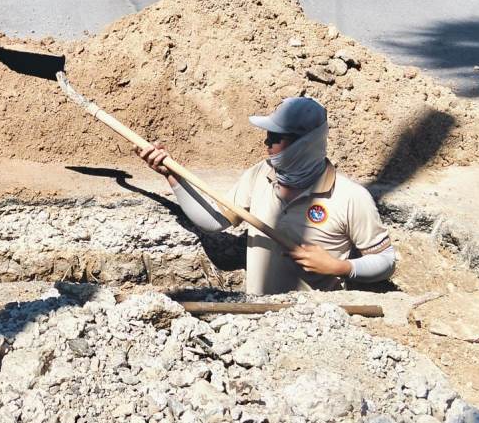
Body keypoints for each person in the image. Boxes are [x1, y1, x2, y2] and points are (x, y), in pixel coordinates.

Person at [137, 97, 395, 294]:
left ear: (304, 142)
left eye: (275, 137)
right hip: (258, 320)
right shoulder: (261, 174)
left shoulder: (350, 197)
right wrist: (172, 176)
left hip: (314, 328)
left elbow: (386, 260)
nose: (266, 143)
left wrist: (341, 268)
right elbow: (215, 222)